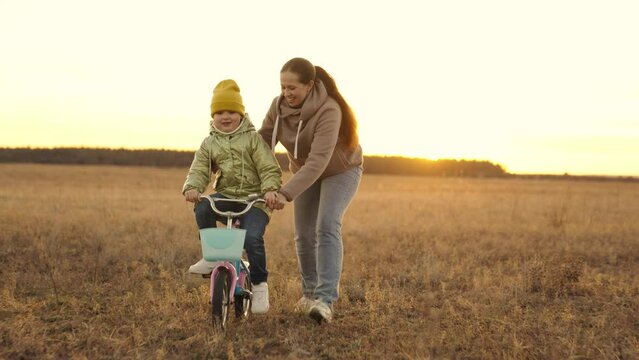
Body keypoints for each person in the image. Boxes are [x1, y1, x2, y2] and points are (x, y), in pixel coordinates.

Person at [259, 58, 363, 323]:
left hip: (340, 171)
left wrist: (285, 193)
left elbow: (318, 162)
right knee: (303, 235)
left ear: (310, 85)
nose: (286, 93)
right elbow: (262, 141)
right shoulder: (278, 106)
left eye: (292, 87)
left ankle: (325, 300)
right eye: (283, 87)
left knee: (326, 225)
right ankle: (309, 295)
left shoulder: (329, 110)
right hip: (304, 173)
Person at [182, 79, 282, 314]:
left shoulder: (253, 139)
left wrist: (269, 190)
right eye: (219, 112)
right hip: (226, 194)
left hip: (254, 199)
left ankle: (259, 286)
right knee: (204, 207)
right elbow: (199, 169)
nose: (225, 117)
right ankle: (211, 256)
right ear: (213, 116)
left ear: (241, 113)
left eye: (231, 111)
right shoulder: (209, 143)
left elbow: (269, 168)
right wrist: (192, 187)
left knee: (253, 238)